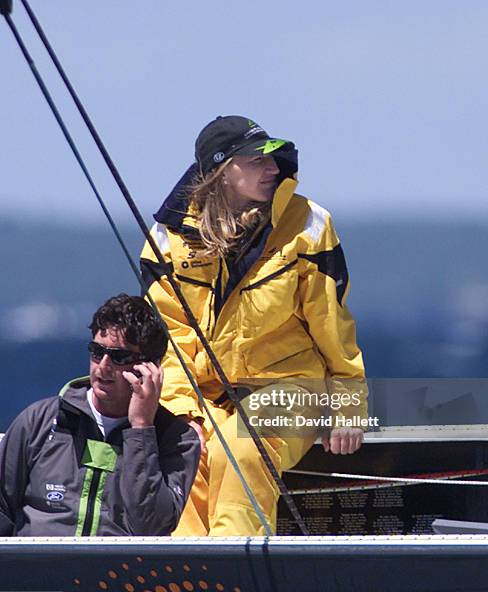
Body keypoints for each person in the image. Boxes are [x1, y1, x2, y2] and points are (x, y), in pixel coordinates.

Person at [140, 115, 367, 536]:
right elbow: (171, 340)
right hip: (207, 397)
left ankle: (236, 577)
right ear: (223, 171)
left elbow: (333, 325)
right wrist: (183, 413)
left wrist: (348, 404)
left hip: (292, 388)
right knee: (188, 456)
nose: (274, 168)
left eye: (274, 158)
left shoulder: (308, 225)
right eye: (257, 160)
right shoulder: (167, 238)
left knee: (242, 447)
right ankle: (186, 586)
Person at [0, 294, 200, 536]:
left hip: (119, 573)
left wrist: (141, 429)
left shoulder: (177, 440)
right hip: (36, 572)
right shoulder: (40, 421)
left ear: (150, 368)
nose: (103, 365)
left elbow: (152, 526)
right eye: (97, 351)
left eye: (119, 357)